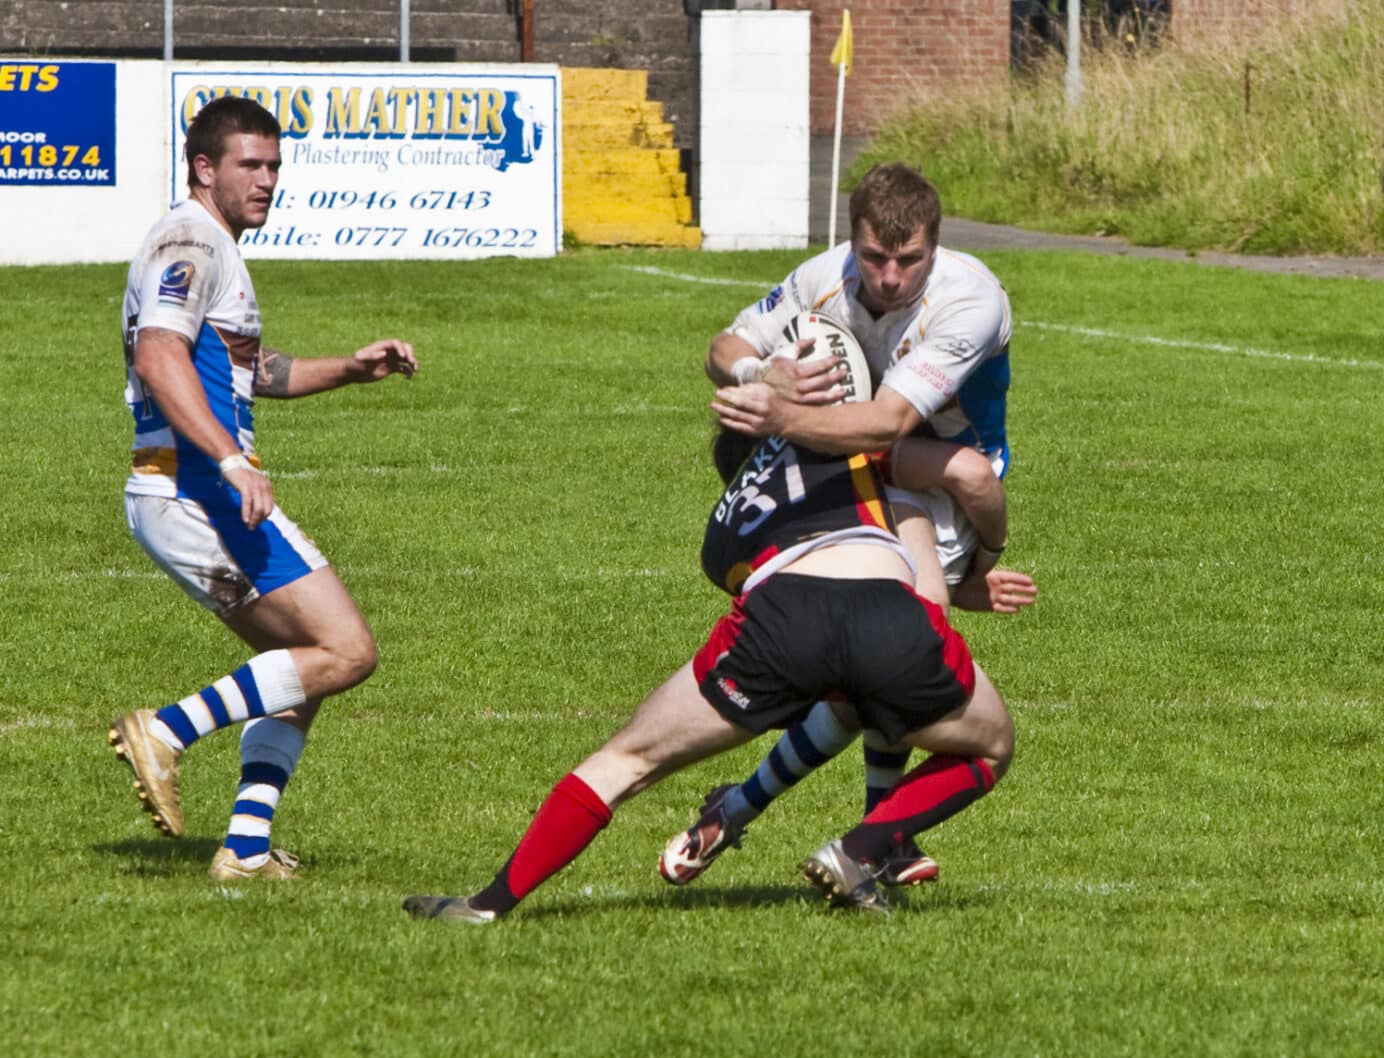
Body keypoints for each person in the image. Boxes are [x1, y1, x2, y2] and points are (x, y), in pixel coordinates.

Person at [403, 432, 1014, 921]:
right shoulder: (842, 449)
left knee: (626, 760)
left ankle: (486, 906)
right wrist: (976, 566)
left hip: (780, 619)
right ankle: (864, 847)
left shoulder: (719, 537)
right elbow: (950, 496)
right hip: (888, 612)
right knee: (990, 746)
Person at [670, 162, 1020, 887]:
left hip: (927, 467)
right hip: (855, 462)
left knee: (878, 674)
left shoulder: (972, 299)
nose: (890, 277)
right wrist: (758, 376)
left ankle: (746, 808)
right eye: (874, 257)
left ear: (936, 245)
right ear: (853, 240)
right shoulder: (823, 273)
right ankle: (876, 842)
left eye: (909, 259)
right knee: (889, 666)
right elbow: (722, 347)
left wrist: (784, 416)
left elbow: (894, 424)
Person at [107, 96, 417, 881]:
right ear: (204, 167)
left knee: (300, 662)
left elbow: (250, 370)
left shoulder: (211, 246)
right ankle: (168, 731)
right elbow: (159, 356)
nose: (268, 179)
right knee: (346, 650)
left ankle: (245, 848)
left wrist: (348, 369)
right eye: (250, 164)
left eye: (275, 165)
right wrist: (233, 459)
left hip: (186, 486)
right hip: (196, 487)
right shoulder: (189, 241)